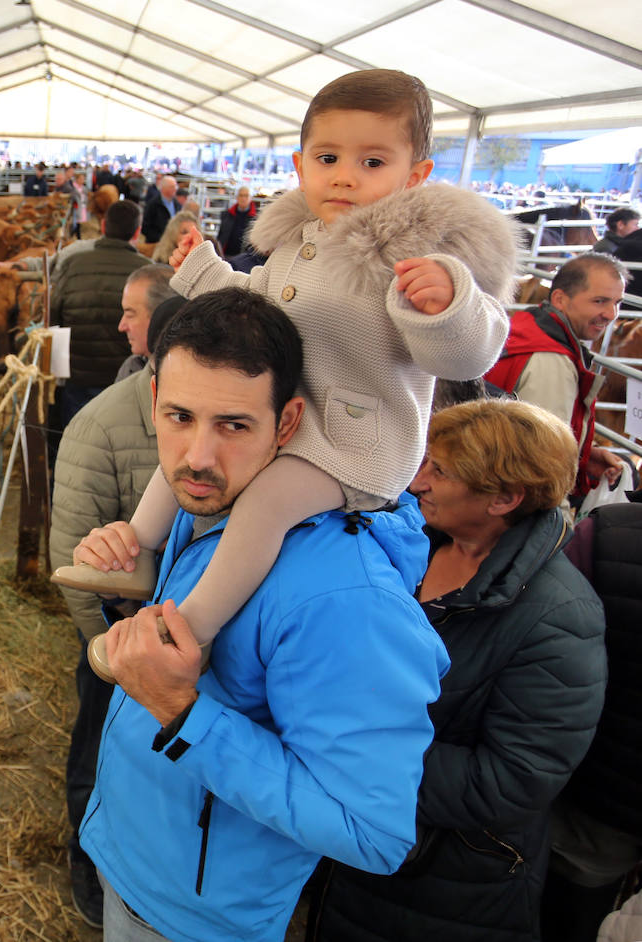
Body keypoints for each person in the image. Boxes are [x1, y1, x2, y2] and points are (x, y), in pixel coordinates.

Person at [55, 69, 514, 670]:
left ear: (415, 175)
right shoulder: (301, 243)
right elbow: (261, 305)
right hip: (282, 420)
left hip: (353, 443)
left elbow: (469, 356)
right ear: (300, 166)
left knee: (265, 503)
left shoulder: (416, 258)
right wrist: (206, 273)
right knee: (194, 449)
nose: (344, 175)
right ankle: (137, 550)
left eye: (373, 162)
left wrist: (450, 305)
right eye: (328, 157)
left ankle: (189, 629)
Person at [76, 286, 449, 942]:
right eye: (180, 416)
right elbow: (190, 658)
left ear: (288, 422)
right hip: (130, 857)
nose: (197, 456)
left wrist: (181, 713)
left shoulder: (346, 600)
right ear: (154, 398)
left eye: (234, 425)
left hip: (196, 920)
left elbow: (371, 831)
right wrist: (125, 598)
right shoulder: (207, 507)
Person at [311, 398, 606, 942]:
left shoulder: (559, 618)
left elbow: (510, 781)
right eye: (425, 461)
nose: (417, 481)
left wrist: (343, 746)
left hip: (445, 883)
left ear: (504, 498)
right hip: (358, 847)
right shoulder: (412, 542)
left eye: (441, 472)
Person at [50, 263, 176, 928]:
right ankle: (86, 857)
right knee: (96, 751)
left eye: (132, 313)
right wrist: (105, 650)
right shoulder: (99, 426)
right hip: (119, 643)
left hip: (186, 646)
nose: (120, 324)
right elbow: (71, 558)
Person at [540, 499, 642, 942]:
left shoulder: (607, 533)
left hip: (595, 791)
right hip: (601, 792)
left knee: (568, 907)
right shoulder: (607, 534)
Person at [484, 253, 627, 500]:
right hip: (510, 500)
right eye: (599, 301)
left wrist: (584, 454)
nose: (611, 313)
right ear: (560, 299)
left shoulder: (530, 324)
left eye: (617, 302)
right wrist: (561, 519)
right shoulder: (551, 361)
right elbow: (543, 464)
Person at [48, 199, 152, 427]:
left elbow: (53, 314)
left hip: (77, 374)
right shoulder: (147, 272)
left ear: (103, 226)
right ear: (137, 232)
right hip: (126, 379)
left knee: (74, 432)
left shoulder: (72, 264)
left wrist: (56, 370)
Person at [140, 174, 183, 243]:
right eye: (172, 187)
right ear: (164, 188)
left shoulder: (177, 204)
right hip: (156, 244)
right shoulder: (153, 204)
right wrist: (161, 239)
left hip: (173, 243)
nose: (175, 189)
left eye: (176, 186)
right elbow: (145, 228)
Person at [216, 186, 257, 258]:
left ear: (251, 198)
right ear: (237, 197)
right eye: (241, 195)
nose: (243, 198)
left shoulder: (256, 218)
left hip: (245, 257)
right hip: (226, 255)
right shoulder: (227, 215)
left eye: (246, 196)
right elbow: (220, 235)